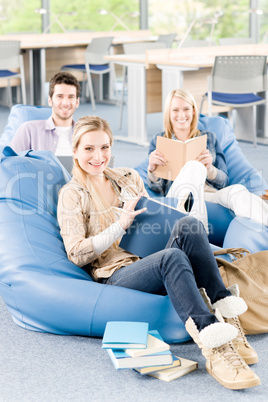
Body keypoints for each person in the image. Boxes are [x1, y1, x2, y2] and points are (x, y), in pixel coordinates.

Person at [57, 115, 260, 390]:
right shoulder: (72, 194)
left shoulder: (127, 177)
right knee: (172, 258)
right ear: (75, 151)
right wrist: (120, 226)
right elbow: (76, 254)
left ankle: (225, 311)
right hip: (117, 274)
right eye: (89, 149)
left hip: (149, 255)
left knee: (189, 223)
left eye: (104, 147)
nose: (98, 156)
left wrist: (167, 222)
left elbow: (156, 222)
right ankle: (213, 344)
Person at [147, 88, 268, 232]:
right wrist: (151, 170)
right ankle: (200, 234)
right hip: (179, 197)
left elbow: (224, 181)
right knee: (193, 166)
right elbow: (157, 190)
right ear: (168, 113)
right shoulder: (159, 141)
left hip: (208, 194)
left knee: (237, 190)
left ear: (193, 111)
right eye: (175, 110)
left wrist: (210, 169)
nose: (181, 115)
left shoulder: (209, 138)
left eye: (186, 109)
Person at [10, 72, 81, 157]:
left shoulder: (85, 134)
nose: (65, 103)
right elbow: (10, 163)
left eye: (71, 97)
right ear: (50, 100)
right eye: (60, 96)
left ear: (77, 102)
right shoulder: (29, 130)